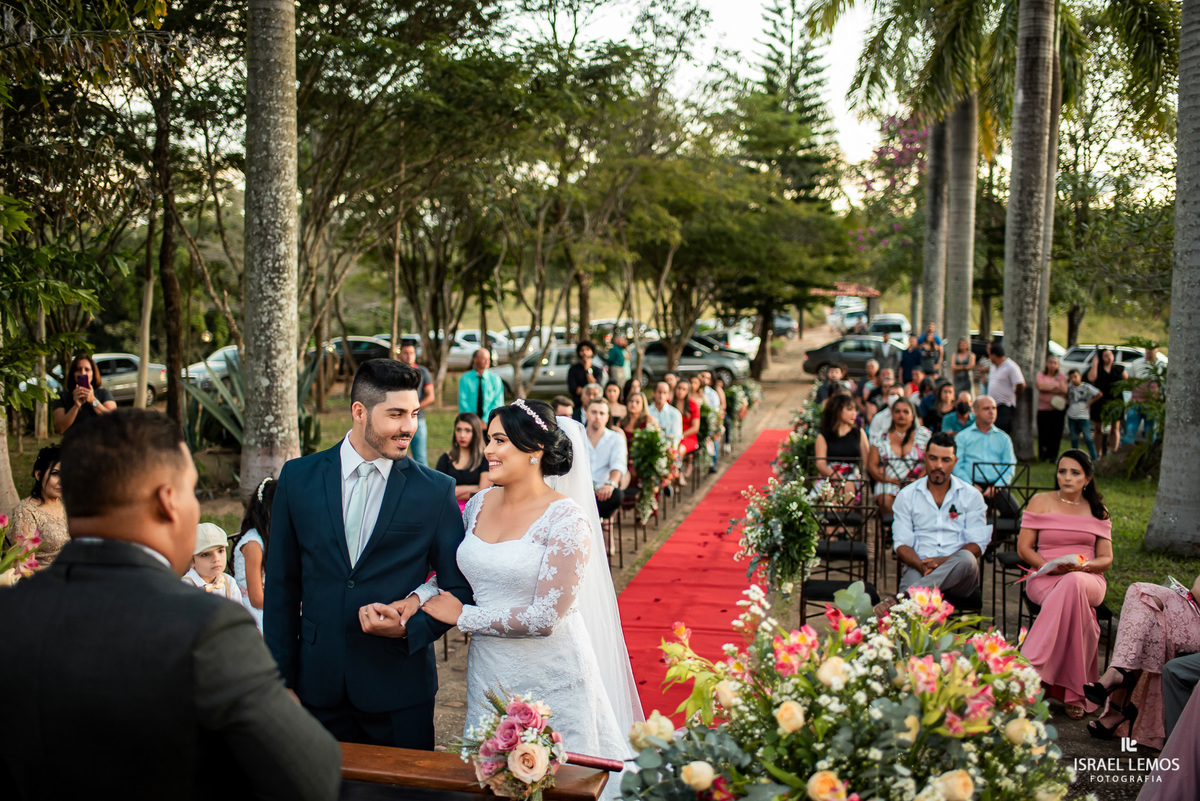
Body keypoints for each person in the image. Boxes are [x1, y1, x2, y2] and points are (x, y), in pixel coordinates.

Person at [0, 409, 341, 798]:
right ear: (167, 502)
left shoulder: (9, 613)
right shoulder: (207, 628)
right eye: (191, 491)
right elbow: (312, 777)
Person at [420, 401, 642, 800]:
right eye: (489, 439)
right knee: (489, 783)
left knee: (565, 787)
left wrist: (464, 617)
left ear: (534, 450)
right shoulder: (477, 506)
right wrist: (415, 598)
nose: (488, 450)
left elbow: (546, 616)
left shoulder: (566, 520)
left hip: (551, 679)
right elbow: (457, 575)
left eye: (500, 440)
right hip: (489, 676)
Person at [266, 359, 473, 750]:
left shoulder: (435, 490)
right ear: (359, 412)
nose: (408, 427)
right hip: (316, 687)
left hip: (400, 688)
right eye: (395, 414)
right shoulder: (298, 478)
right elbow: (280, 587)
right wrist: (281, 682)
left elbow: (459, 587)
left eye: (413, 413)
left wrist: (409, 627)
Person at [1017, 450, 1113, 720]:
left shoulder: (1097, 510)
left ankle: (1027, 670)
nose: (1067, 477)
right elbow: (1024, 549)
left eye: (1075, 473)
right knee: (1073, 599)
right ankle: (1076, 693)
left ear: (1087, 478)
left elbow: (1107, 559)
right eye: (1062, 471)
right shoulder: (1040, 501)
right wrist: (1048, 566)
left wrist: (1084, 567)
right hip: (1045, 575)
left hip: (1088, 577)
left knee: (1073, 582)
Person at [1082, 575, 1200, 749]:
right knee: (1142, 594)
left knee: (1152, 626)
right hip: (1195, 607)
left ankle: (1119, 698)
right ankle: (1119, 672)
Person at [882, 431, 990, 612]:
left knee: (967, 558)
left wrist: (942, 563)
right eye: (933, 458)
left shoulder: (971, 496)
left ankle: (905, 598)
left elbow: (978, 544)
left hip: (961, 575)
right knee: (909, 612)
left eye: (945, 460)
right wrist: (922, 566)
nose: (938, 465)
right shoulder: (907, 495)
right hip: (918, 564)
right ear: (924, 458)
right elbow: (901, 544)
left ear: (955, 461)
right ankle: (910, 627)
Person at [5, 445, 70, 569]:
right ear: (39, 475)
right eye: (55, 474)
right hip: (46, 581)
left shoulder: (66, 504)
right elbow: (24, 563)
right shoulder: (26, 511)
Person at [953, 396, 1017, 515]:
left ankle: (997, 533)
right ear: (975, 411)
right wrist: (970, 485)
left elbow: (1010, 466)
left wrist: (997, 486)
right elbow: (957, 465)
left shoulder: (1004, 438)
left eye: (994, 408)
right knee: (959, 512)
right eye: (986, 408)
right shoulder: (963, 437)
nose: (991, 412)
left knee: (1014, 511)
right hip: (970, 484)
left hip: (996, 486)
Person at [867, 397, 930, 515]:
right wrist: (887, 479)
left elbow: (931, 461)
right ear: (892, 414)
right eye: (897, 411)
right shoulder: (882, 436)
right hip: (889, 482)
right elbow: (872, 465)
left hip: (918, 481)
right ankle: (893, 530)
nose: (901, 415)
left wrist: (919, 480)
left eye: (905, 411)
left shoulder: (924, 435)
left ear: (912, 415)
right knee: (885, 501)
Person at [233, 476, 275, 632]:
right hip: (256, 611)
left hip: (269, 602)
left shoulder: (267, 537)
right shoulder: (253, 544)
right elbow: (256, 599)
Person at [436, 412, 495, 512]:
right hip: (449, 510)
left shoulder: (484, 459)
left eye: (468, 431)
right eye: (459, 430)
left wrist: (454, 490)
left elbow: (484, 492)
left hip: (476, 511)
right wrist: (474, 487)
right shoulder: (445, 459)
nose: (462, 435)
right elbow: (438, 492)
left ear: (476, 433)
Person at [814, 393, 868, 497]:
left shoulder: (859, 433)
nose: (854, 414)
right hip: (829, 473)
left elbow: (866, 463)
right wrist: (834, 475)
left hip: (852, 475)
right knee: (828, 491)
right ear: (838, 410)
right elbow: (820, 463)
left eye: (855, 410)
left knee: (848, 486)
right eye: (849, 409)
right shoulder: (824, 435)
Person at [584, 399, 627, 525]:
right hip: (580, 491)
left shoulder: (616, 438)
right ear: (586, 413)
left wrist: (610, 483)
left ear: (607, 417)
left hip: (603, 493)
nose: (597, 417)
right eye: (593, 412)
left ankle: (602, 527)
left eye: (602, 413)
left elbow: (618, 465)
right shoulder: (577, 437)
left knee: (617, 495)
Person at [53, 353, 117, 433]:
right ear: (73, 374)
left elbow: (114, 421)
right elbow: (60, 428)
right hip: (73, 443)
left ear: (93, 373)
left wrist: (93, 401)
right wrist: (76, 406)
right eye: (79, 370)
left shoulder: (103, 394)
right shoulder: (62, 397)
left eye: (87, 370)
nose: (83, 373)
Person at [183, 522, 242, 604]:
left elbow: (238, 613)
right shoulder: (186, 586)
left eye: (220, 551)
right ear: (192, 560)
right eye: (205, 554)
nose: (216, 559)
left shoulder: (229, 582)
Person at [398, 342, 436, 466]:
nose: (409, 356)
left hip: (418, 420)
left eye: (412, 353)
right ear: (400, 355)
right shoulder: (395, 372)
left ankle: (424, 485)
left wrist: (413, 410)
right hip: (398, 420)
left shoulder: (423, 372)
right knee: (397, 457)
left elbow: (430, 396)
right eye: (406, 353)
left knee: (420, 459)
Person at [1087, 348, 1125, 456]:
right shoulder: (1097, 369)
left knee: (1115, 427)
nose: (1108, 357)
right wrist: (1095, 364)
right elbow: (1091, 378)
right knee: (1098, 428)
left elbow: (1127, 381)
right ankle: (1097, 453)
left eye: (1110, 355)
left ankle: (1113, 452)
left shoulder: (1119, 368)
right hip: (1100, 401)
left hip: (1116, 400)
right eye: (1105, 355)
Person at [1122, 346, 1161, 446]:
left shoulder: (1160, 365)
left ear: (1157, 350)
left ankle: (1149, 456)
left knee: (1150, 432)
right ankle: (1126, 454)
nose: (1149, 351)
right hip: (1136, 402)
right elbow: (1131, 381)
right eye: (1148, 348)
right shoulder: (1137, 363)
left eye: (1152, 349)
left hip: (1151, 404)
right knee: (1130, 430)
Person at [985, 344, 1025, 435]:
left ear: (994, 356)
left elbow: (1020, 383)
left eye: (990, 356)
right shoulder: (993, 367)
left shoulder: (1011, 366)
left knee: (1001, 430)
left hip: (1005, 404)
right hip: (993, 405)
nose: (989, 358)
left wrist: (1015, 395)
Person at [1035, 355, 1069, 462]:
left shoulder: (1061, 376)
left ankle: (1053, 456)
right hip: (1043, 409)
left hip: (1057, 410)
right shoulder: (1041, 375)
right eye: (1051, 362)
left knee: (1055, 433)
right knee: (1044, 433)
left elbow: (1064, 390)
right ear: (1046, 364)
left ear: (1058, 365)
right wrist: (1055, 387)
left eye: (1055, 363)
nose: (1052, 365)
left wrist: (1048, 388)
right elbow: (1040, 387)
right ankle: (1043, 455)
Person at [458, 347, 504, 420]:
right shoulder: (465, 378)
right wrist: (474, 420)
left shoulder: (495, 379)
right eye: (483, 359)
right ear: (475, 360)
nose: (487, 361)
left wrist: (485, 420)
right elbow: (463, 402)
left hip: (490, 421)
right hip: (470, 421)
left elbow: (498, 402)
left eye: (488, 359)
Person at [1065, 370, 1102, 458]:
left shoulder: (1086, 387)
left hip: (1083, 416)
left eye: (1075, 377)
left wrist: (1089, 403)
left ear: (1080, 376)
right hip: (1072, 416)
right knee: (1074, 438)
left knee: (1088, 438)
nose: (1073, 379)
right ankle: (1076, 458)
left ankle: (1094, 458)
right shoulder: (1069, 387)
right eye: (1071, 378)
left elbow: (1099, 394)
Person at [568, 341, 606, 422]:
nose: (584, 352)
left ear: (592, 352)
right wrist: (589, 390)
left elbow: (596, 387)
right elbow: (574, 389)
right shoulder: (573, 369)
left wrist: (587, 370)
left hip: (595, 404)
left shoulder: (597, 370)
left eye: (587, 350)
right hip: (577, 405)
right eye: (582, 350)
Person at [671, 379, 702, 481]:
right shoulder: (670, 403)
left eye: (684, 389)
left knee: (679, 450)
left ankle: (677, 474)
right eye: (679, 388)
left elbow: (695, 427)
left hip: (688, 436)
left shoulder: (693, 405)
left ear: (687, 391)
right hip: (671, 435)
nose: (680, 391)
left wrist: (681, 435)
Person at [647, 380, 683, 448]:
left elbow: (676, 437)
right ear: (653, 393)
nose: (661, 395)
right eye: (659, 392)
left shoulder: (675, 413)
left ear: (668, 395)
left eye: (665, 393)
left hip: (669, 450)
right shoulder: (647, 411)